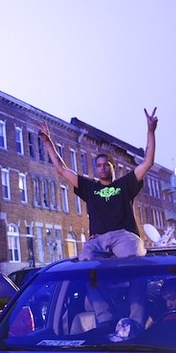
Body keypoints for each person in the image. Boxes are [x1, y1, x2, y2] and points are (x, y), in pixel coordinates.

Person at [39, 108, 158, 260]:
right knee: (85, 262)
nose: (102, 168)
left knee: (133, 260)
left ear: (113, 167)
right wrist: (48, 142)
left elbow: (148, 162)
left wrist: (150, 131)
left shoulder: (125, 184)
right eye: (99, 165)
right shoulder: (90, 187)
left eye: (106, 164)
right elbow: (62, 169)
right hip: (98, 239)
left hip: (124, 235)